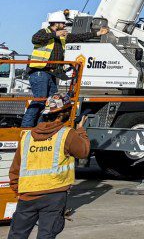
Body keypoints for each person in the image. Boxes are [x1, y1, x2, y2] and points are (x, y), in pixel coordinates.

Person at [8, 92, 91, 239]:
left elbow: (16, 167)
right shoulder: (67, 134)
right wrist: (81, 131)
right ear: (64, 113)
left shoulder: (27, 136)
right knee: (46, 235)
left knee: (17, 235)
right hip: (54, 195)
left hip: (27, 196)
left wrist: (19, 191)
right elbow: (83, 151)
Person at [23, 12, 105, 128]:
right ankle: (25, 128)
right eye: (63, 23)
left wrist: (97, 33)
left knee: (53, 104)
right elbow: (35, 39)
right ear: (56, 23)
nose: (65, 25)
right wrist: (55, 34)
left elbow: (78, 37)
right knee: (40, 100)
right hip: (39, 72)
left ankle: (41, 127)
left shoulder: (62, 36)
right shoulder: (44, 32)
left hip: (51, 74)